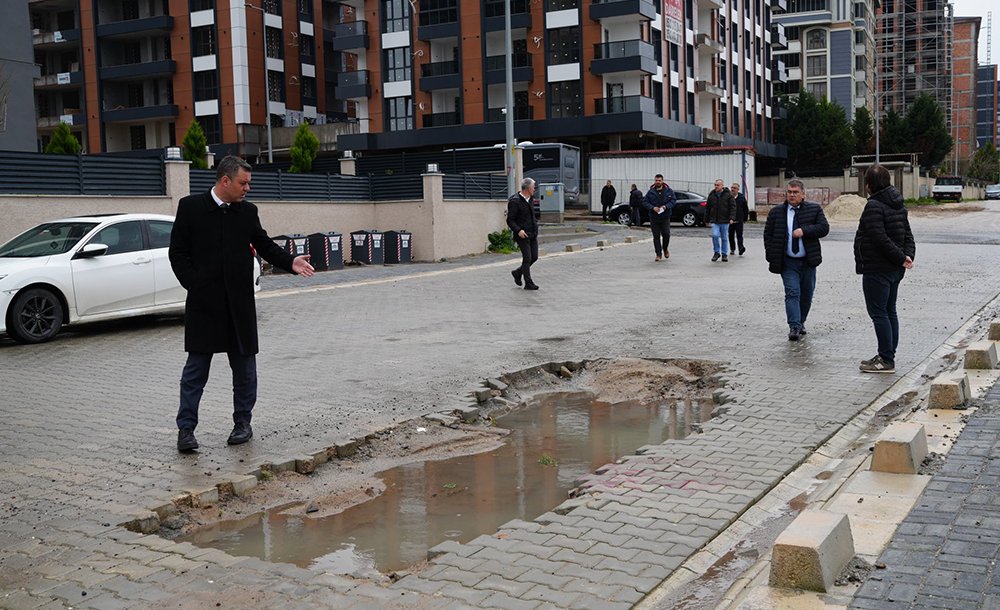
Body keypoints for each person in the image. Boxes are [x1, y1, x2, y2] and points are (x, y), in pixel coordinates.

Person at [169, 155, 315, 452]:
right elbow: (177, 253)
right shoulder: (191, 207)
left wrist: (290, 261)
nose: (247, 188)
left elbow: (264, 244)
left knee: (245, 371)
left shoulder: (247, 212)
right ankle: (186, 430)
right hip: (204, 306)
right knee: (195, 372)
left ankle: (242, 424)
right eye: (243, 183)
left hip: (239, 306)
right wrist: (195, 283)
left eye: (248, 183)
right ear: (225, 181)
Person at [854, 165, 916, 374]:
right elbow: (908, 235)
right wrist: (907, 257)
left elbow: (879, 238)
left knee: (879, 313)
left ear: (869, 185)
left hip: (877, 267)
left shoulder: (874, 206)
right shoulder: (898, 204)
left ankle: (886, 359)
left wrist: (902, 258)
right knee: (889, 311)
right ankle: (887, 354)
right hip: (894, 269)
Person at [763, 179, 829, 341]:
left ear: (803, 194)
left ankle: (801, 321)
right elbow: (768, 235)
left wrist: (804, 231)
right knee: (792, 292)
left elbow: (824, 228)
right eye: (789, 192)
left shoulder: (814, 209)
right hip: (787, 262)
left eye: (795, 192)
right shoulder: (776, 212)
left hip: (808, 261)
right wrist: (771, 255)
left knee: (806, 294)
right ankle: (794, 326)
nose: (791, 195)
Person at [507, 177, 540, 290]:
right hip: (522, 234)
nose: (534, 189)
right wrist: (518, 230)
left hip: (532, 233)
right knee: (527, 258)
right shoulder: (515, 201)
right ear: (528, 188)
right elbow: (510, 220)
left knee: (534, 257)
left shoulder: (530, 198)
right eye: (533, 187)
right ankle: (528, 283)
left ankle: (517, 272)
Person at [643, 174, 675, 261]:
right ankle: (658, 254)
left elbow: (673, 201)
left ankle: (665, 248)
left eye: (659, 180)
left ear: (662, 181)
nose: (658, 182)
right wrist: (652, 208)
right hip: (654, 217)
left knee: (666, 234)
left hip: (665, 217)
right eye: (656, 180)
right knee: (656, 236)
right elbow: (645, 202)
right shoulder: (650, 192)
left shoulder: (669, 191)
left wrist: (666, 206)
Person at [705, 179, 735, 262]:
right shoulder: (712, 195)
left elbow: (733, 207)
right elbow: (708, 208)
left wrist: (732, 218)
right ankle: (716, 252)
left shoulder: (728, 195)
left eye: (717, 185)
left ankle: (724, 254)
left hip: (725, 221)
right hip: (715, 220)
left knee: (724, 238)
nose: (716, 186)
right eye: (715, 185)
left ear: (722, 186)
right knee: (715, 235)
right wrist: (706, 220)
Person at [729, 182, 749, 256]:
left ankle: (741, 248)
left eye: (734, 188)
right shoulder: (729, 197)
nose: (732, 189)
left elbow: (745, 209)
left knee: (739, 235)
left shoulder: (741, 197)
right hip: (730, 221)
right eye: (732, 188)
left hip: (739, 220)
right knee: (731, 236)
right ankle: (732, 249)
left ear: (738, 189)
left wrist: (745, 218)